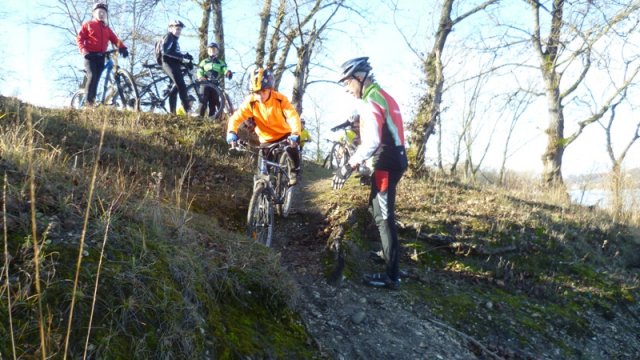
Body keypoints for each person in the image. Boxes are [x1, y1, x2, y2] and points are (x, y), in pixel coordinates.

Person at [332, 57, 408, 290]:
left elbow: (373, 141)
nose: (346, 88)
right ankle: (389, 255)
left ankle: (392, 277)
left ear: (360, 77)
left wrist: (348, 166)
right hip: (393, 159)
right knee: (377, 209)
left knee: (384, 218)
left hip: (386, 163)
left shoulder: (371, 101)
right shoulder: (380, 95)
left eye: (347, 83)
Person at [226, 67, 302, 185]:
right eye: (257, 93)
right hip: (266, 139)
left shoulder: (280, 99)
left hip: (284, 135)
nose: (260, 96)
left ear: (270, 89)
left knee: (292, 148)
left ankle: (295, 171)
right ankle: (263, 197)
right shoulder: (250, 102)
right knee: (263, 174)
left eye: (263, 92)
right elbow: (236, 117)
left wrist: (295, 133)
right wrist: (231, 132)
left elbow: (292, 116)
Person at [76, 3, 128, 107]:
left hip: (101, 57)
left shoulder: (107, 29)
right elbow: (79, 38)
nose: (101, 14)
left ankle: (96, 100)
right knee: (92, 76)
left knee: (97, 79)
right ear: (94, 14)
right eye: (99, 12)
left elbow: (115, 40)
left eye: (103, 12)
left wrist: (123, 47)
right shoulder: (88, 24)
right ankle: (89, 104)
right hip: (90, 56)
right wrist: (84, 50)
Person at [160, 20, 193, 114]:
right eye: (177, 29)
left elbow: (175, 55)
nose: (179, 31)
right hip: (168, 64)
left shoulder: (174, 40)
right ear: (170, 29)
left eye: (180, 29)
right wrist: (182, 58)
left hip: (173, 64)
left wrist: (186, 59)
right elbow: (165, 51)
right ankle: (188, 110)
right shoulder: (169, 37)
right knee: (182, 86)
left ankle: (173, 113)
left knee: (174, 90)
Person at [196, 42, 233, 118]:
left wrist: (228, 73)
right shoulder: (204, 61)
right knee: (203, 101)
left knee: (213, 102)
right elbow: (199, 70)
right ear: (208, 51)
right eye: (210, 49)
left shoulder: (221, 62)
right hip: (205, 84)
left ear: (217, 51)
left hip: (215, 84)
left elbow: (224, 69)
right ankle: (199, 119)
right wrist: (200, 77)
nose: (212, 51)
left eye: (214, 49)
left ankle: (211, 120)